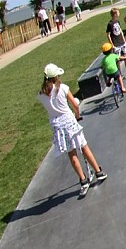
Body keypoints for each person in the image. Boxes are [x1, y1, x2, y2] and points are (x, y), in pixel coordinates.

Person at [37, 63, 107, 198]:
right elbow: (75, 104)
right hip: (69, 121)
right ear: (56, 76)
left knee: (72, 153)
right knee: (84, 147)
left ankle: (83, 180)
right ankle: (98, 171)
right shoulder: (62, 88)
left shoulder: (41, 94)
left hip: (58, 126)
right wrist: (77, 114)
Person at [105, 7, 126, 79]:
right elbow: (108, 35)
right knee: (118, 60)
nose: (119, 13)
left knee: (125, 57)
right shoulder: (110, 24)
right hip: (116, 44)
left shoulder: (118, 21)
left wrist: (124, 40)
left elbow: (120, 31)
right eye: (118, 12)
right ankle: (120, 73)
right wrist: (112, 45)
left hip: (122, 42)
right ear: (114, 14)